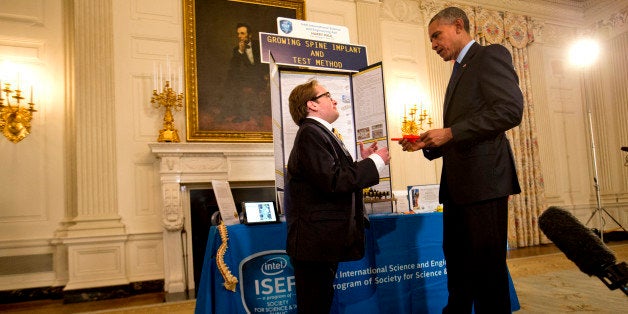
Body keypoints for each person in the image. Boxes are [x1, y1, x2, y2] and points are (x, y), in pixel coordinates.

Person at [398, 7, 523, 313]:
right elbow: (460, 132)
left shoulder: (490, 55)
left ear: (457, 26)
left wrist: (451, 133)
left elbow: (509, 111)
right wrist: (427, 144)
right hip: (458, 189)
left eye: (436, 36)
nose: (433, 44)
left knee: (487, 272)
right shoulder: (458, 69)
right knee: (458, 265)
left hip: (484, 184)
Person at [284, 79, 390, 313]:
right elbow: (334, 181)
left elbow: (332, 175)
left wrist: (363, 162)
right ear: (312, 104)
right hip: (314, 244)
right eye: (327, 95)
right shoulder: (311, 133)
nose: (334, 100)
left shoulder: (318, 133)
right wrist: (376, 161)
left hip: (319, 244)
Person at [224, 22, 268, 123]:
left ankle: (258, 114)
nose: (239, 36)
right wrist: (240, 51)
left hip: (262, 77)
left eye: (242, 33)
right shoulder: (237, 49)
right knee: (232, 80)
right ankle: (242, 115)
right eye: (238, 34)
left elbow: (268, 61)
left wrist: (266, 75)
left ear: (250, 35)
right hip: (247, 78)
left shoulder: (260, 45)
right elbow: (234, 66)